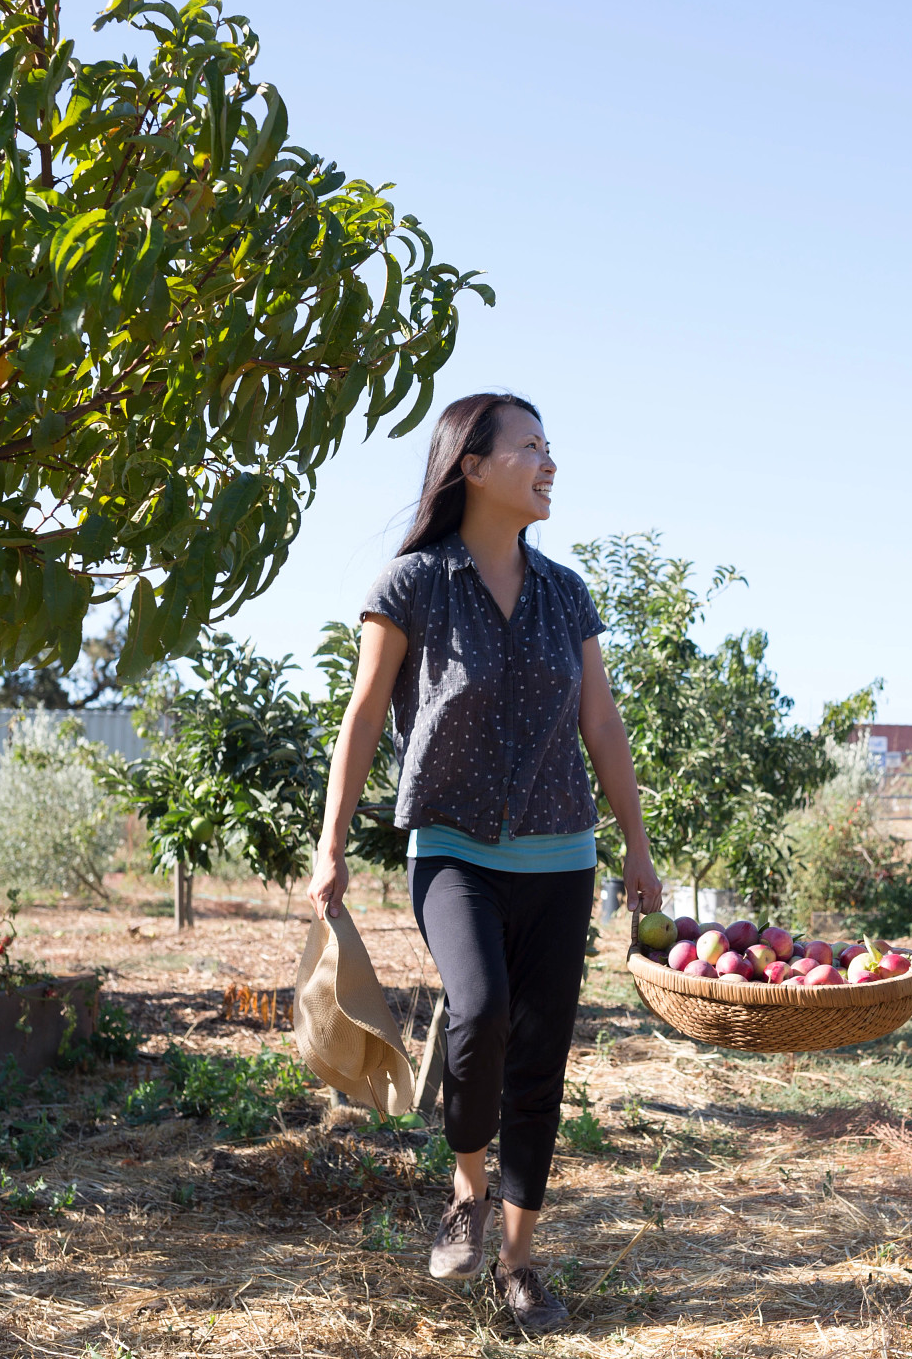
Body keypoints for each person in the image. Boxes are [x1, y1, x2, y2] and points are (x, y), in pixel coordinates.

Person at [310, 392, 662, 1333]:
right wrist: (332, 839)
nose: (550, 463)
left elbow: (601, 725)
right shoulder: (413, 583)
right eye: (530, 447)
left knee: (540, 1052)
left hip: (561, 854)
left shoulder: (565, 592)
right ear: (471, 464)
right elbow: (362, 713)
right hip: (455, 844)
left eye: (552, 447)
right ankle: (466, 1185)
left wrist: (636, 843)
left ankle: (519, 1261)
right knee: (481, 1009)